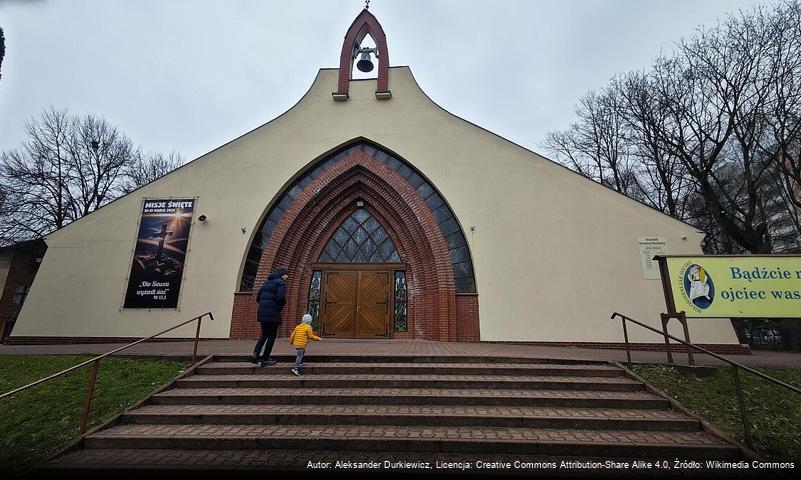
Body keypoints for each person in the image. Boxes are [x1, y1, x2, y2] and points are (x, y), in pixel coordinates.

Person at [252, 267, 288, 366]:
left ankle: (255, 355)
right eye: (286, 274)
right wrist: (280, 306)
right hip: (273, 313)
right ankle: (266, 357)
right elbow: (281, 298)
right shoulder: (281, 283)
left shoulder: (266, 283)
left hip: (262, 313)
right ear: (282, 274)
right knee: (272, 336)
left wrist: (264, 305)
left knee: (264, 335)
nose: (287, 276)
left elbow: (258, 298)